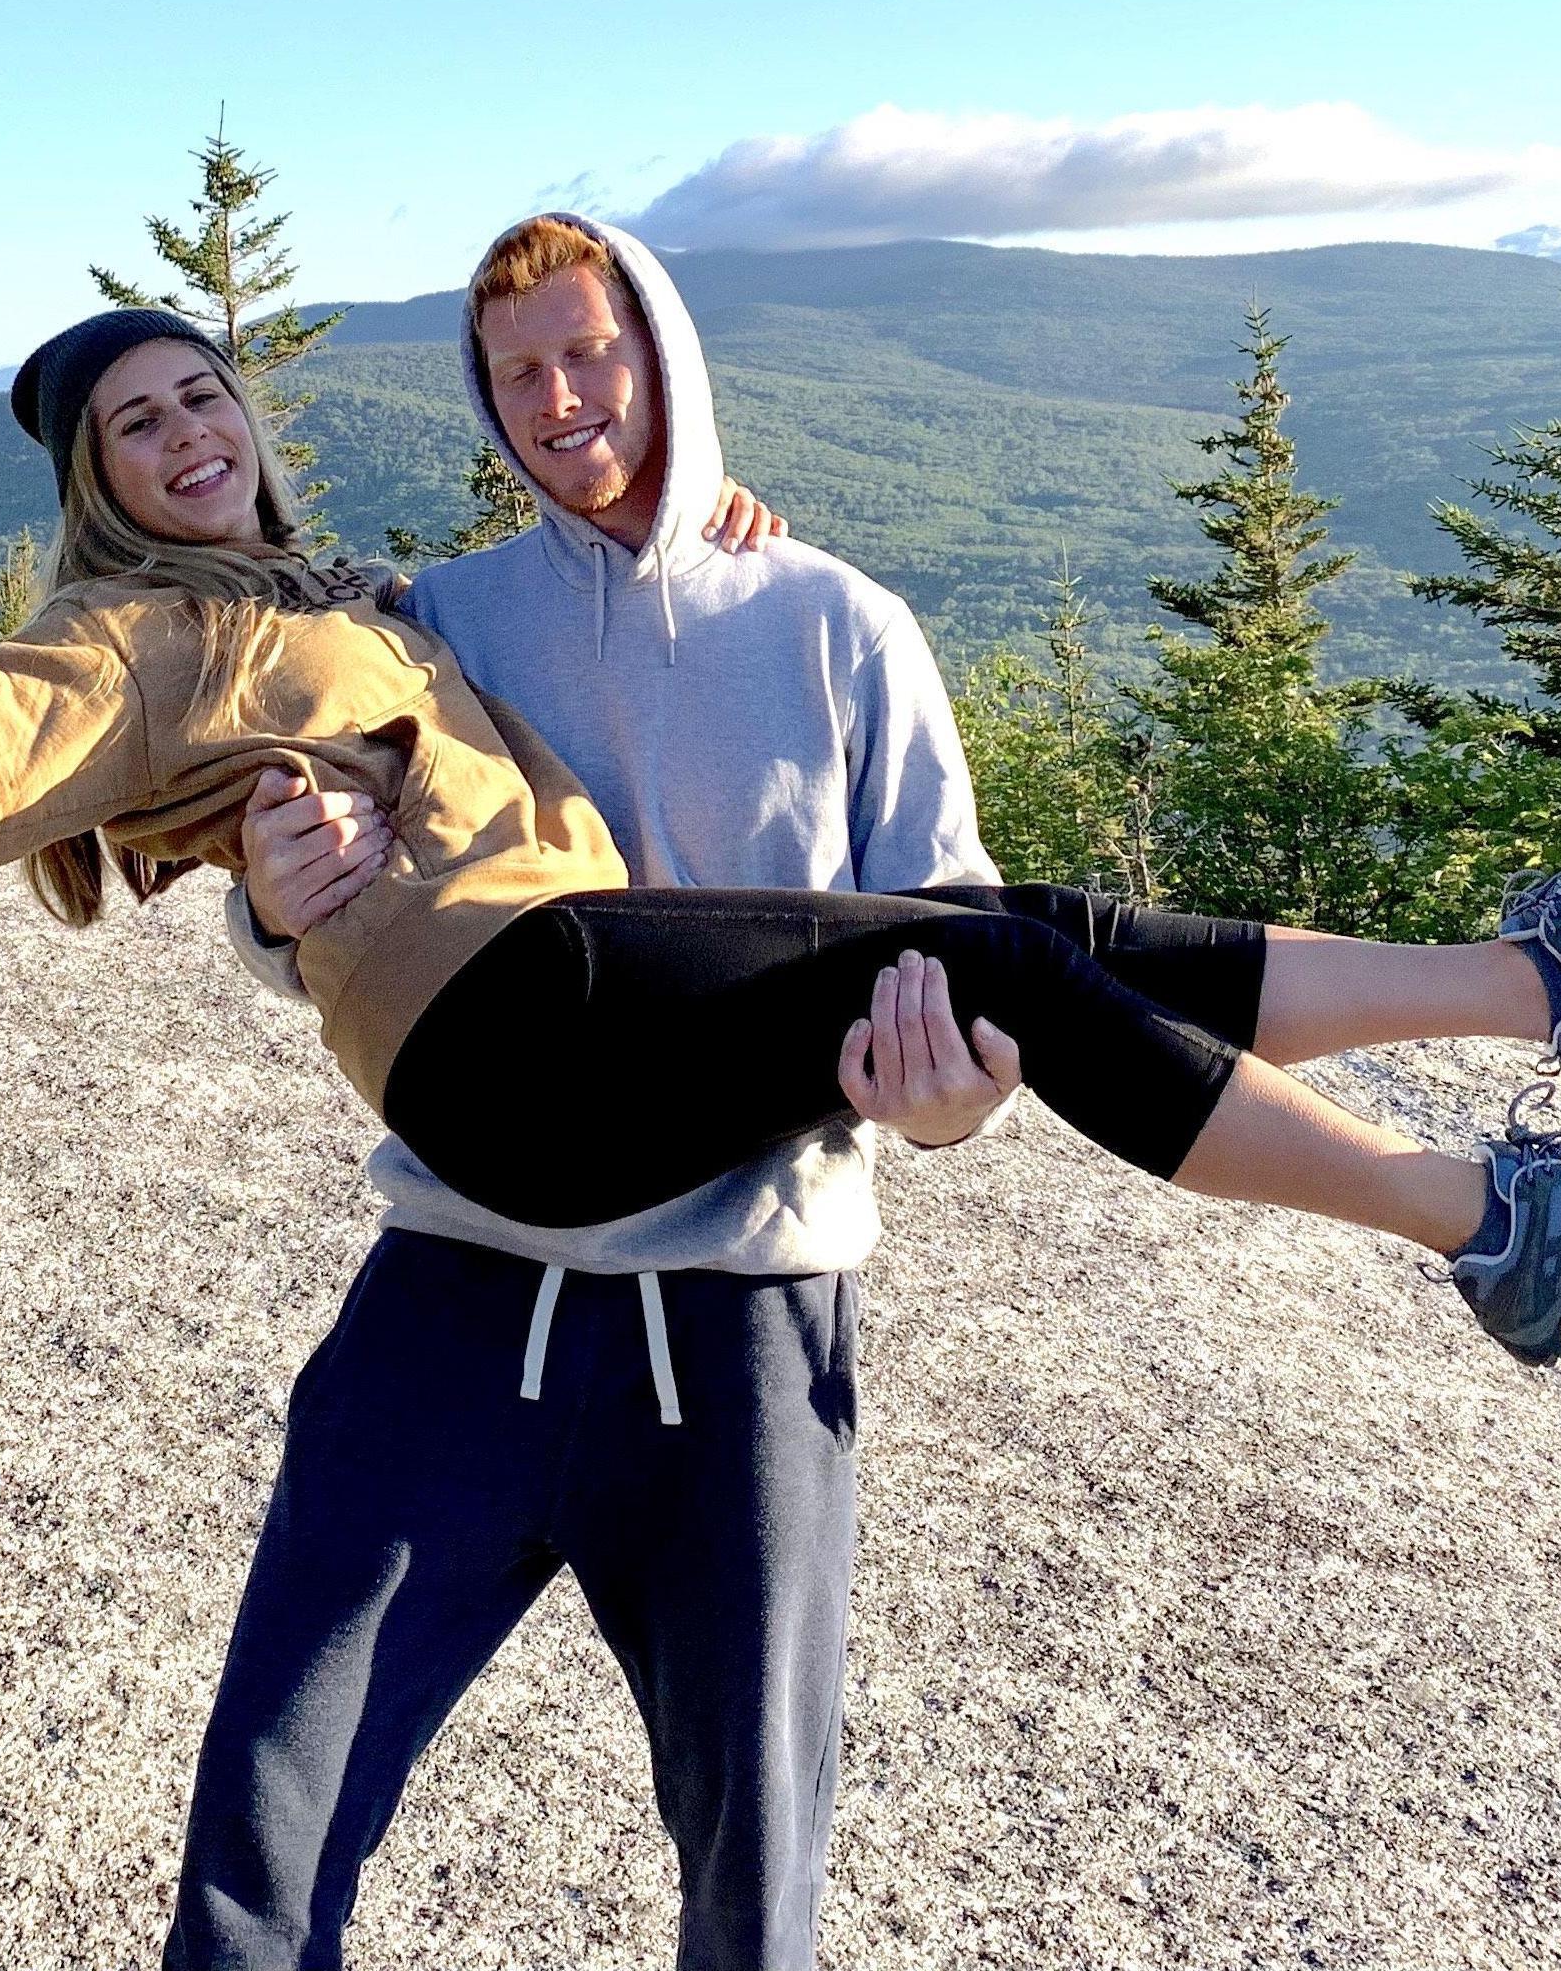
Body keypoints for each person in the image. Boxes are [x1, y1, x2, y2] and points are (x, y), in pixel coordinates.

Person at [0, 302, 1561, 1400]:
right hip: (509, 1047)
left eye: (195, 391)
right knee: (995, 959)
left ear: (248, 410)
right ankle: (1487, 1228)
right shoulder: (130, 649)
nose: (176, 433)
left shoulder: (371, 601)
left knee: (1015, 929)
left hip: (580, 998)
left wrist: (704, 519)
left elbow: (587, 560)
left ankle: (1553, 981)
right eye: (128, 423)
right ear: (91, 482)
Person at [170, 213, 1022, 1971]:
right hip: (457, 1294)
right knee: (263, 1826)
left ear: (664, 353)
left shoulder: (842, 627)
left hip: (744, 1328)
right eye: (516, 373)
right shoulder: (442, 624)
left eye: (590, 352)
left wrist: (943, 1104)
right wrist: (279, 885)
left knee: (751, 1872)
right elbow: (312, 938)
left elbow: (963, 975)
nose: (559, 400)